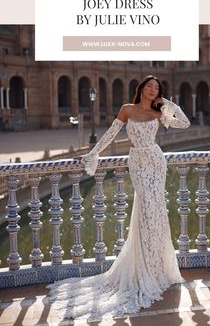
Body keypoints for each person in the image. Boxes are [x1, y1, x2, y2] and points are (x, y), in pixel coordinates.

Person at [47, 75, 190, 323]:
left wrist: (170, 105)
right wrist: (93, 153)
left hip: (156, 162)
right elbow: (111, 134)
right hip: (138, 162)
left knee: (157, 213)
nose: (153, 89)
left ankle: (157, 269)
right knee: (145, 209)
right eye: (150, 86)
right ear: (142, 89)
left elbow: (185, 124)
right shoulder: (127, 109)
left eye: (157, 88)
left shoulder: (160, 112)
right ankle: (140, 269)